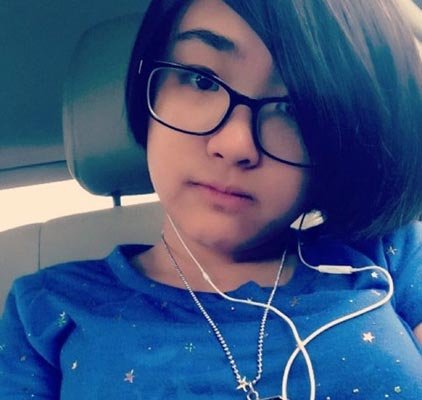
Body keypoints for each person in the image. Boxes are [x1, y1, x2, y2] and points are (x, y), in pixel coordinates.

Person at [1, 0, 421, 399]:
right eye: (202, 79)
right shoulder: (44, 307)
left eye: (292, 108)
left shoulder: (389, 253)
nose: (236, 144)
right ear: (150, 90)